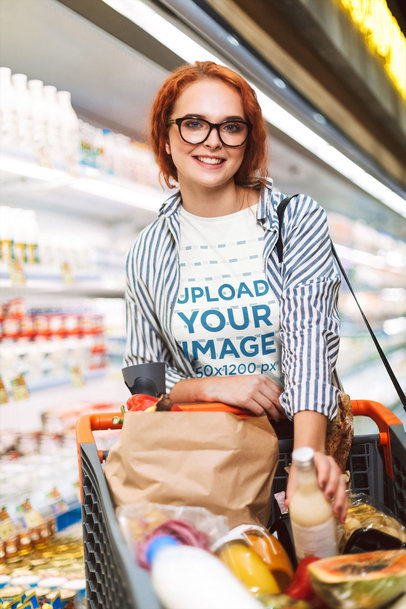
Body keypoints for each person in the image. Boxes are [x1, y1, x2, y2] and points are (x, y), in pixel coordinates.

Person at [125, 60, 347, 523]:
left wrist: (305, 463)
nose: (212, 140)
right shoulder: (147, 251)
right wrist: (209, 386)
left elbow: (309, 339)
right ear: (166, 137)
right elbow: (144, 385)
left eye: (231, 126)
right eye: (193, 124)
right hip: (208, 463)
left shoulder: (294, 219)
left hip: (298, 446)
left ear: (248, 140)